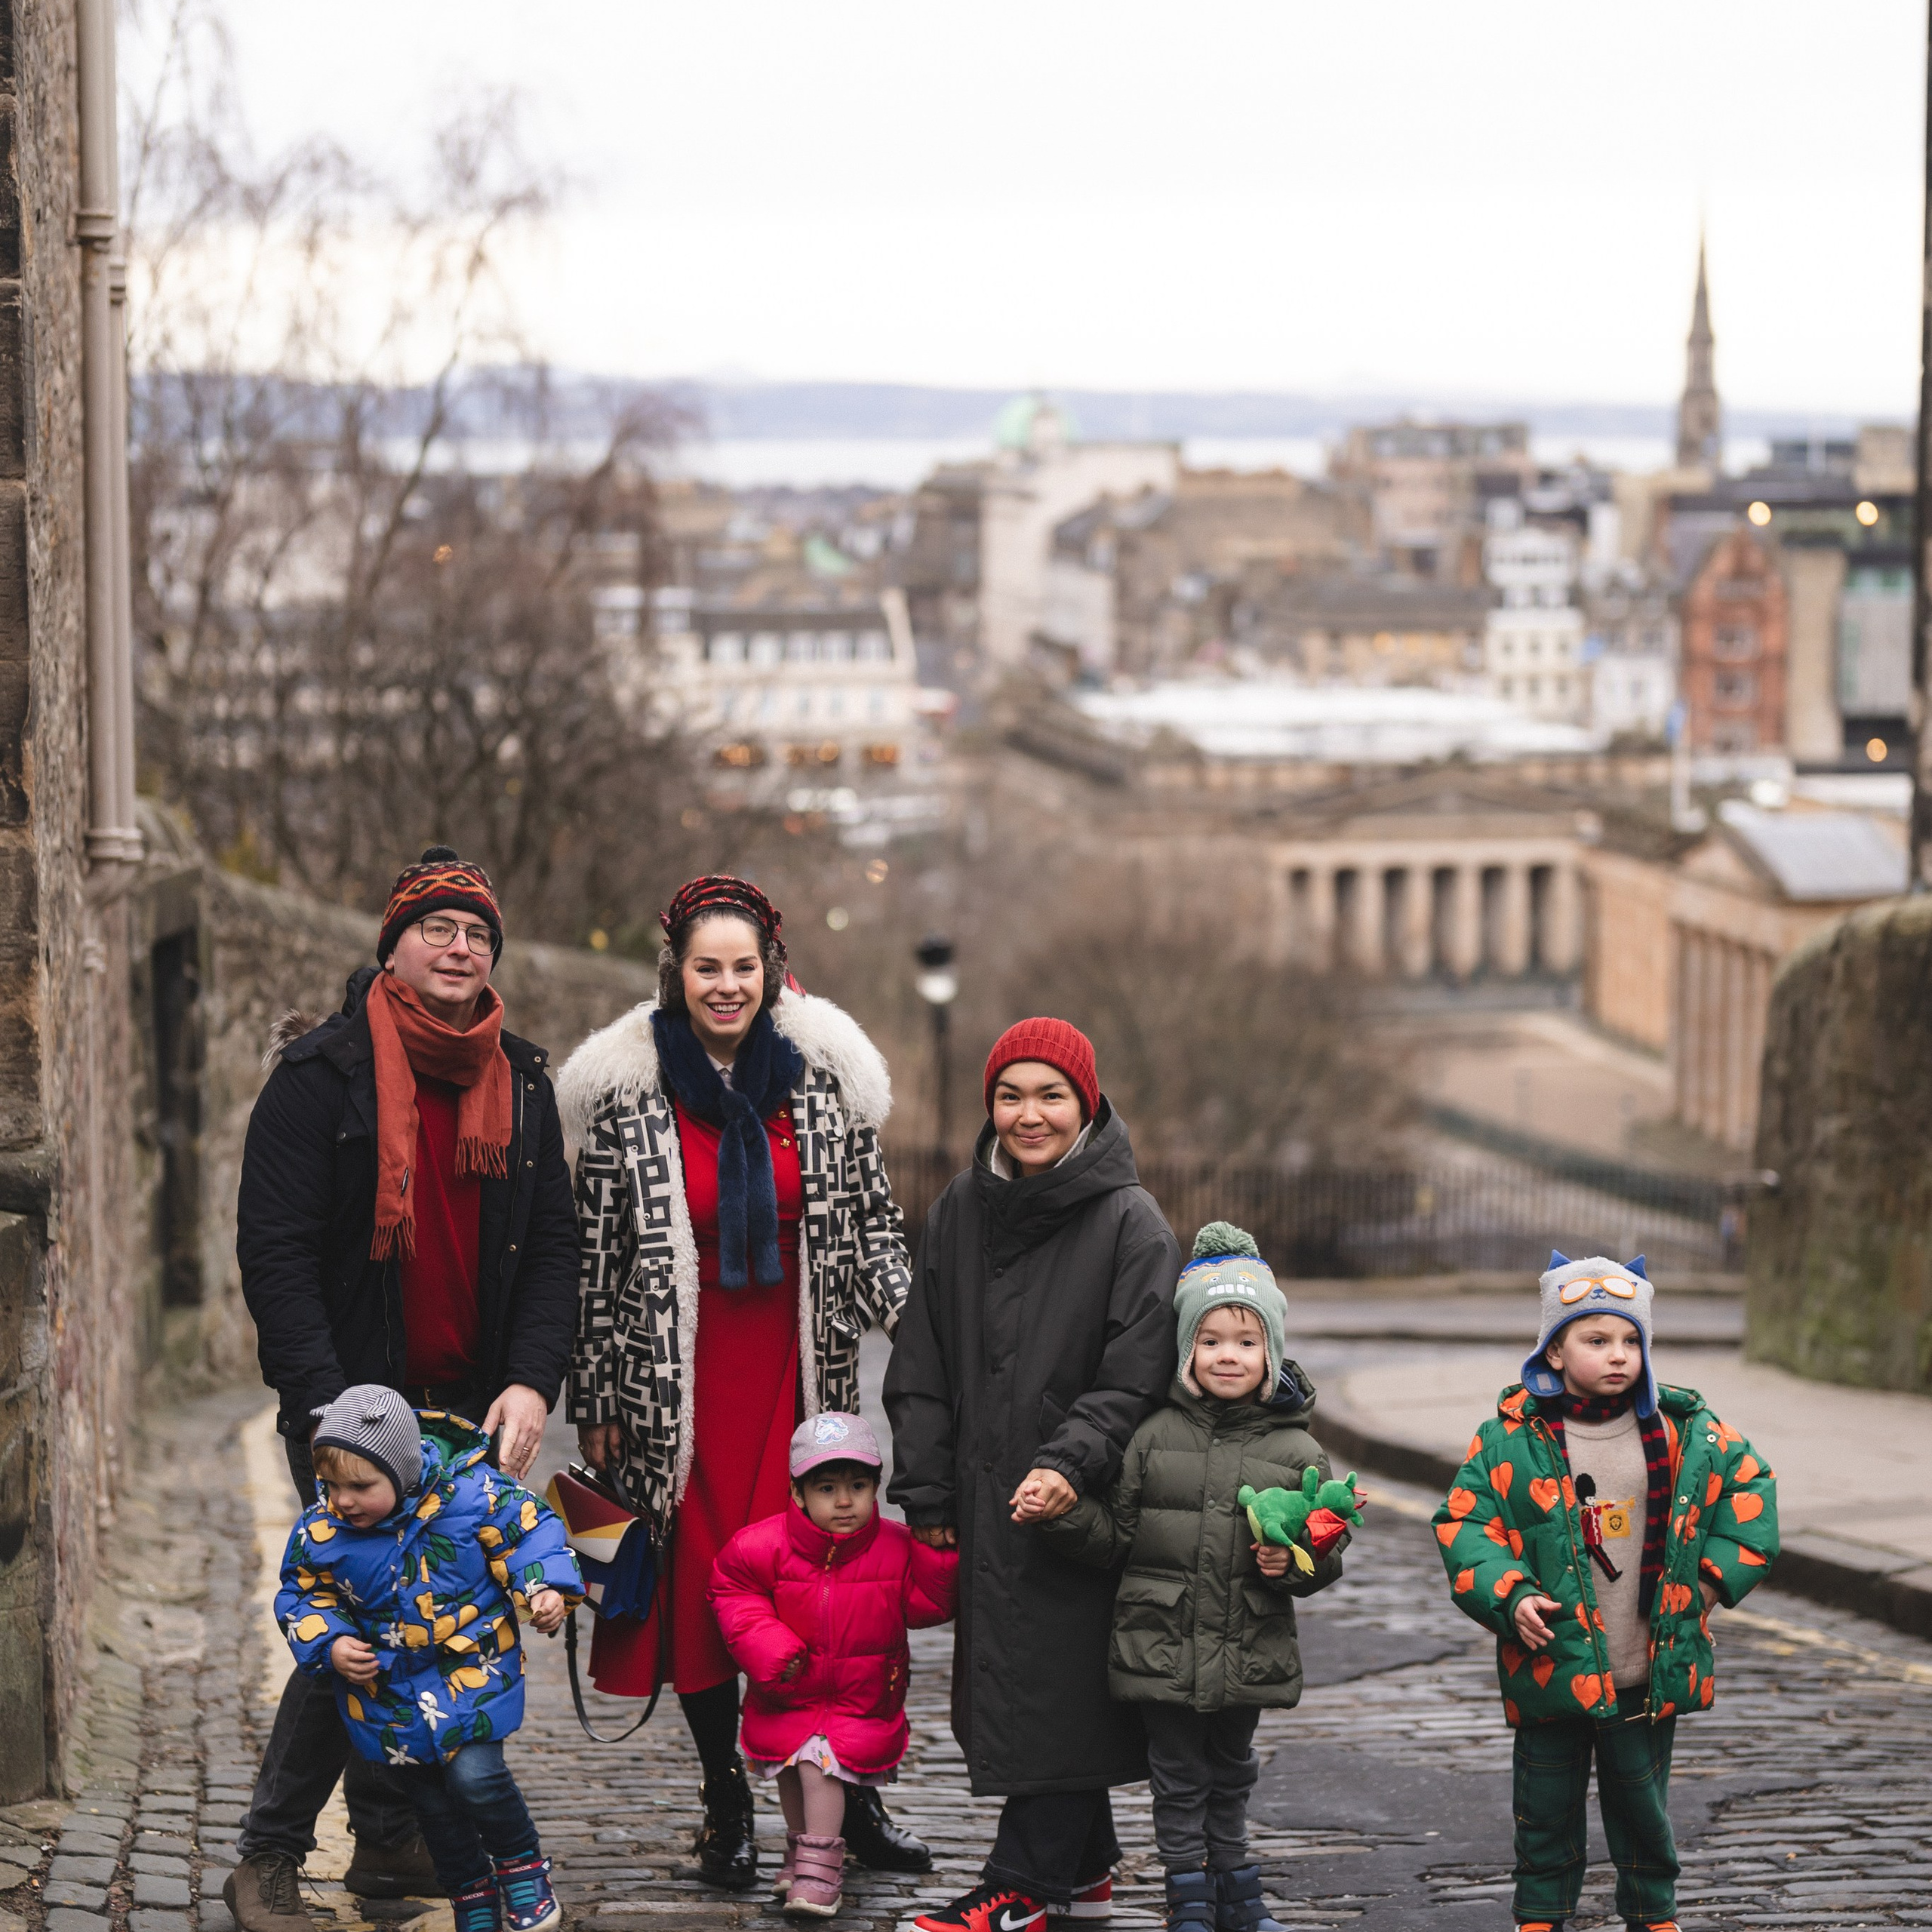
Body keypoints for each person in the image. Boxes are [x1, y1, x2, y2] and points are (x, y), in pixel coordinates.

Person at [229, 846, 580, 1932]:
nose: (459, 946)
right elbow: (276, 1255)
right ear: (393, 945)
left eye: (477, 933)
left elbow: (555, 1248)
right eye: (438, 928)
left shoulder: (520, 1082)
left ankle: (387, 1841)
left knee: (443, 1620)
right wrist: (333, 1416)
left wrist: (529, 1384)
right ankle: (272, 1855)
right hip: (349, 1411)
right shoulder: (318, 1078)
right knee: (359, 1621)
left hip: (465, 1413)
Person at [559, 875, 921, 1890]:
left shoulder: (823, 1087)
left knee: (821, 1597)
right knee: (708, 1600)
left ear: (773, 972)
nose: (726, 987)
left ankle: (849, 1799)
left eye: (743, 968)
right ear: (673, 971)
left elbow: (874, 1237)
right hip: (675, 1391)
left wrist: (933, 1333)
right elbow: (595, 1265)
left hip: (800, 1380)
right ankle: (727, 1800)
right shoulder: (628, 1097)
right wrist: (595, 1399)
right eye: (706, 968)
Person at [884, 1018, 1183, 1932]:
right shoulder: (962, 1209)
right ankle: (1085, 1865)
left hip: (1077, 1503)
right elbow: (921, 1359)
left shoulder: (1131, 1222)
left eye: (1050, 1093)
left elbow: (1137, 1373)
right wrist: (928, 1488)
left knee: (1056, 1682)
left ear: (1085, 1101)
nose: (1029, 1113)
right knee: (1024, 1679)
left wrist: (1068, 1462)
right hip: (980, 1493)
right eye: (1010, 1094)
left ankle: (1021, 1883)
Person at [1432, 1253, 1780, 1932]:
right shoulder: (1510, 1440)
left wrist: (1710, 1581)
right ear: (1554, 1351)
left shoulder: (1690, 1434)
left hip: (1645, 1665)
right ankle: (1540, 1911)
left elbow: (1752, 1492)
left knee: (1641, 1803)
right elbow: (1466, 1525)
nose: (1618, 1356)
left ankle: (1653, 1911)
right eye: (1596, 1340)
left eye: (1631, 1341)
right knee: (1544, 1803)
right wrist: (1510, 1597)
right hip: (1551, 1661)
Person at [1038, 1223, 1356, 1932]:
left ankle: (1239, 1896)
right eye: (1210, 1341)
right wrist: (1061, 1515)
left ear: (1271, 1350)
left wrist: (1296, 1563)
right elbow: (1116, 1535)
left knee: (1232, 1772)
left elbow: (1326, 1545)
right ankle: (1188, 1897)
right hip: (1162, 1639)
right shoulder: (1152, 1437)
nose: (1228, 1356)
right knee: (1178, 1778)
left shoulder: (1299, 1447)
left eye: (1246, 1343)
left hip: (1248, 1642)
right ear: (1186, 1349)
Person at [275, 1386, 583, 1932]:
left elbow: (530, 1529)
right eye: (332, 1485)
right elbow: (304, 1593)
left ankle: (523, 1868)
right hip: (387, 1690)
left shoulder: (474, 1494)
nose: (343, 1500)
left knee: (475, 1777)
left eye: (360, 1486)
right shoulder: (322, 1529)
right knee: (431, 1803)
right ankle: (471, 1894)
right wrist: (330, 1642)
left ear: (401, 1469)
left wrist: (544, 1588)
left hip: (473, 1667)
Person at [708, 1412, 959, 1918]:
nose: (845, 1501)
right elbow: (730, 1588)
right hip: (787, 1689)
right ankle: (801, 1857)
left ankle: (820, 1871)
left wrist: (937, 1558)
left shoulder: (894, 1547)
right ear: (799, 1494)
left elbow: (925, 1607)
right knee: (790, 1771)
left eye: (858, 1486)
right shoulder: (763, 1545)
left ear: (875, 1488)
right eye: (827, 1487)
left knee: (818, 1766)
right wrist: (766, 1644)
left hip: (858, 1695)